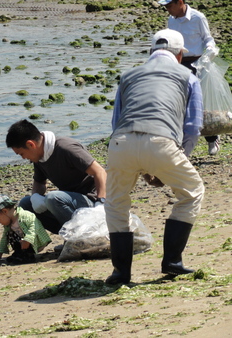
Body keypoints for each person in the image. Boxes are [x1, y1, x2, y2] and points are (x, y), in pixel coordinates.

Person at [104, 29, 205, 284]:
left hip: (121, 142)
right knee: (192, 191)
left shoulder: (128, 76)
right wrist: (174, 161)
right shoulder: (188, 76)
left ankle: (120, 272)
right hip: (162, 142)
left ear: (151, 51)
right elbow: (192, 126)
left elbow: (116, 121)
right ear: (180, 55)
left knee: (116, 203)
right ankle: (172, 261)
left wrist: (143, 165)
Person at [5, 119, 107, 235]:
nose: (23, 158)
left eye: (21, 154)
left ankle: (82, 237)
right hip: (70, 204)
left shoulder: (66, 148)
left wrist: (101, 203)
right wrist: (35, 197)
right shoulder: (39, 156)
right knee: (26, 204)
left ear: (30, 144)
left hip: (92, 202)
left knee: (53, 198)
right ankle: (69, 236)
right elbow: (40, 182)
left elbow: (100, 172)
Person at [159, 0, 220, 155]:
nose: (167, 9)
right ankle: (180, 143)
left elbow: (208, 39)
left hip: (198, 63)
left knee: (202, 103)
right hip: (179, 63)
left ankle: (212, 139)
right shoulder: (171, 20)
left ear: (180, 2)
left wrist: (210, 51)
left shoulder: (197, 17)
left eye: (169, 6)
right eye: (165, 7)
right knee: (179, 103)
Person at [0, 194, 51, 265]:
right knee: (9, 234)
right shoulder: (8, 225)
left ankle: (28, 255)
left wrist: (28, 239)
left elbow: (34, 228)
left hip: (35, 241)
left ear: (5, 211)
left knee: (15, 236)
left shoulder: (25, 216)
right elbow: (4, 239)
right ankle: (19, 254)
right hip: (22, 242)